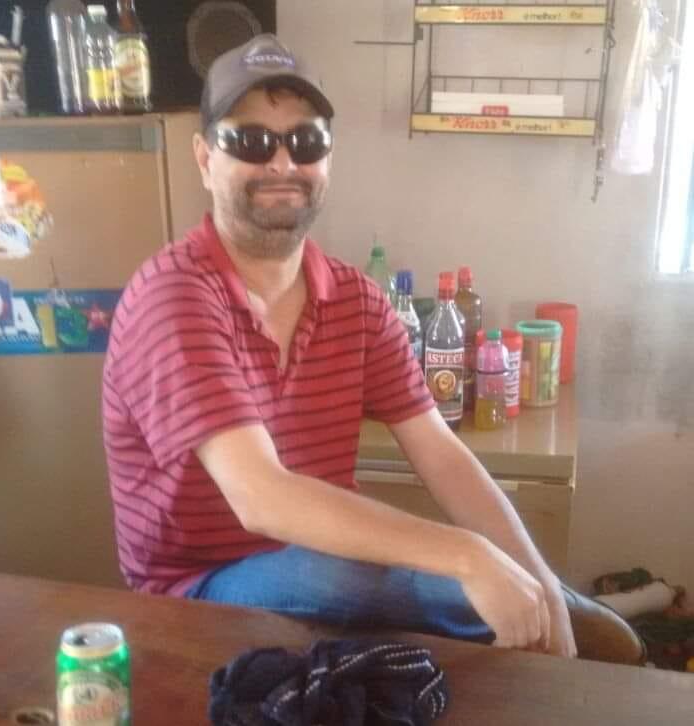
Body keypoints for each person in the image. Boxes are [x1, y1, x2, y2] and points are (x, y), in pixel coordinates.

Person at [103, 34, 643, 662]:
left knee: (458, 589)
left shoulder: (356, 299)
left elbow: (442, 455)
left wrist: (541, 584)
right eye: (250, 141)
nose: (282, 163)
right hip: (197, 585)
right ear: (204, 159)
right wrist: (469, 557)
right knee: (360, 577)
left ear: (327, 159)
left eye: (306, 141)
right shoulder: (173, 295)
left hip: (322, 564)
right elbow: (261, 497)